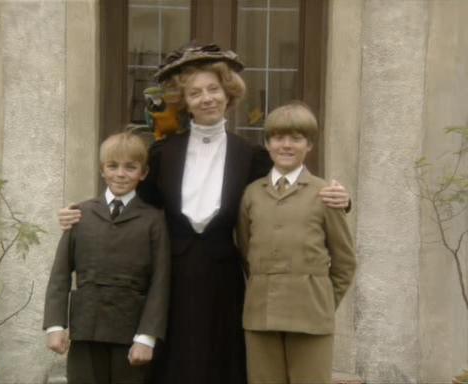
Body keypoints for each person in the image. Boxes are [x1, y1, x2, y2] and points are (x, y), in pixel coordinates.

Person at [58, 44, 350, 384]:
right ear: (185, 101)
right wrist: (82, 214)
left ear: (228, 94)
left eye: (213, 89)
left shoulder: (251, 156)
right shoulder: (163, 154)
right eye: (195, 93)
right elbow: (131, 203)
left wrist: (341, 199)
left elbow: (289, 190)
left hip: (225, 282)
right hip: (172, 278)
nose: (206, 98)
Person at [237, 102, 356, 384]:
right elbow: (245, 251)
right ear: (267, 144)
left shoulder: (325, 194)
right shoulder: (252, 194)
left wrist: (322, 301)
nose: (286, 145)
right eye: (278, 137)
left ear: (310, 144)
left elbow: (345, 262)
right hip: (261, 317)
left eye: (296, 138)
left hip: (310, 318)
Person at [43, 132, 170, 384]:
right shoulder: (81, 213)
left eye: (130, 167)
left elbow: (161, 282)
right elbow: (60, 274)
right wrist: (55, 325)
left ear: (143, 173)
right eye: (113, 166)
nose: (120, 174)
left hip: (130, 331)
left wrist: (146, 336)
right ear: (102, 170)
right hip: (85, 327)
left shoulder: (153, 220)